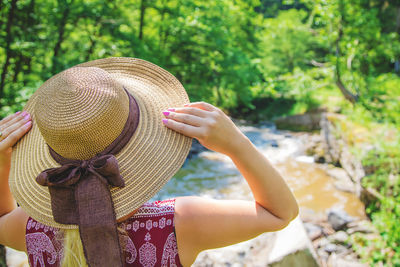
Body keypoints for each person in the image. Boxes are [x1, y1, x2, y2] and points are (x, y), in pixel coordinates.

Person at [0, 57, 299, 267]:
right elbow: (280, 213)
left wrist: (3, 163)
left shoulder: (31, 228)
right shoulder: (179, 223)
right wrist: (236, 144)